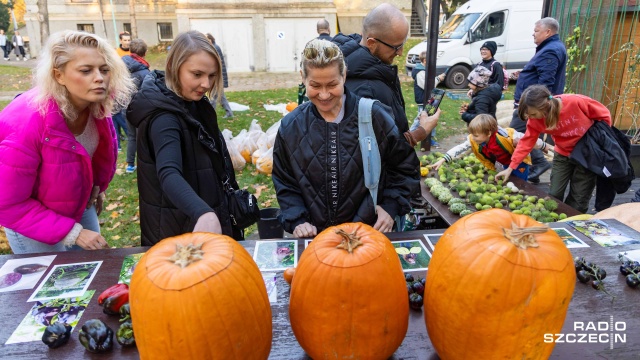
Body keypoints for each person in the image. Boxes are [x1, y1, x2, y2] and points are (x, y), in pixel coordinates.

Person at [272, 39, 429, 238]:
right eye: (315, 85)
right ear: (303, 77)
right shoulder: (291, 127)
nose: (324, 94)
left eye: (332, 84)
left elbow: (404, 167)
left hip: (367, 237)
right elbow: (285, 182)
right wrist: (297, 218)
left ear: (344, 75)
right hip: (317, 241)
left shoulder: (375, 116)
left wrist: (391, 206)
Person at [0, 30, 135, 254]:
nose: (99, 78)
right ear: (58, 75)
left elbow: (90, 156)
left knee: (92, 270)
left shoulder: (97, 105)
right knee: (53, 286)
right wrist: (74, 233)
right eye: (86, 70)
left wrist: (97, 187)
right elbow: (7, 203)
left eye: (104, 69)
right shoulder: (26, 122)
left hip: (77, 202)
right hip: (31, 217)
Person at [127, 30, 243, 246]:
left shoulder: (194, 103)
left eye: (211, 75)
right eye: (197, 74)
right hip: (180, 233)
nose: (206, 84)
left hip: (203, 221)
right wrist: (202, 213)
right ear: (174, 67)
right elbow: (168, 172)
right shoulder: (164, 118)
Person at [495, 85, 612, 214]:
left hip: (587, 155)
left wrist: (601, 139)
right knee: (555, 193)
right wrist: (511, 168)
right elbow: (526, 143)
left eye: (533, 114)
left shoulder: (574, 102)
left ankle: (571, 221)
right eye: (528, 115)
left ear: (545, 106)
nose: (531, 118)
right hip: (562, 153)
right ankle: (555, 220)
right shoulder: (534, 120)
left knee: (579, 197)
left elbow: (604, 114)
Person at [333, 3, 435, 148]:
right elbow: (376, 152)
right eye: (396, 47)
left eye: (402, 44)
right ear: (372, 43)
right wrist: (420, 132)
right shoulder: (365, 90)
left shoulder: (375, 70)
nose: (400, 52)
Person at [510, 17, 567, 184]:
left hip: (532, 106)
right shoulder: (551, 47)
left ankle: (533, 165)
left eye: (536, 31)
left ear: (547, 32)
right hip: (532, 105)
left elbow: (546, 83)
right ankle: (534, 164)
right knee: (525, 135)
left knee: (514, 136)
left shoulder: (550, 50)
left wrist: (533, 107)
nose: (532, 34)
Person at [432, 114, 553, 180]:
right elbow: (460, 148)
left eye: (476, 135)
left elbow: (528, 139)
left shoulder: (506, 136)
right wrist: (443, 159)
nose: (473, 138)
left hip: (520, 163)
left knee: (520, 182)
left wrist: (543, 145)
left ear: (488, 133)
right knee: (508, 179)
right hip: (505, 162)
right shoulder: (474, 140)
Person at [121, 39, 150, 173]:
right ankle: (145, 165)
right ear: (145, 53)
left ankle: (130, 165)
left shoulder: (121, 68)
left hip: (126, 108)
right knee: (142, 138)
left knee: (132, 137)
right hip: (140, 110)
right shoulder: (145, 73)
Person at [411, 50, 445, 147]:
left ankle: (429, 139)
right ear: (425, 60)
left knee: (431, 118)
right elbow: (428, 85)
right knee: (419, 119)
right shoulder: (420, 72)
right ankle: (409, 135)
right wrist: (438, 78)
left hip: (430, 100)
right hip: (423, 100)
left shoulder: (425, 70)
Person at [205, 33, 233, 119]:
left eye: (207, 39)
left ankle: (209, 114)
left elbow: (217, 64)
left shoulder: (215, 48)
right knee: (221, 97)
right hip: (216, 76)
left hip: (216, 76)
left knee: (213, 96)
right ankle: (229, 113)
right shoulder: (212, 47)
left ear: (211, 39)